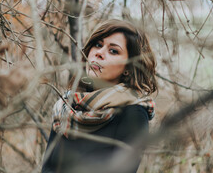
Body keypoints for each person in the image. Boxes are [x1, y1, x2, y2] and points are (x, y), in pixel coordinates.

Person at [41, 19, 157, 173]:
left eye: (113, 51)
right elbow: (47, 168)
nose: (99, 53)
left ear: (128, 68)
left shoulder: (133, 114)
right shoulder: (66, 106)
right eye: (98, 44)